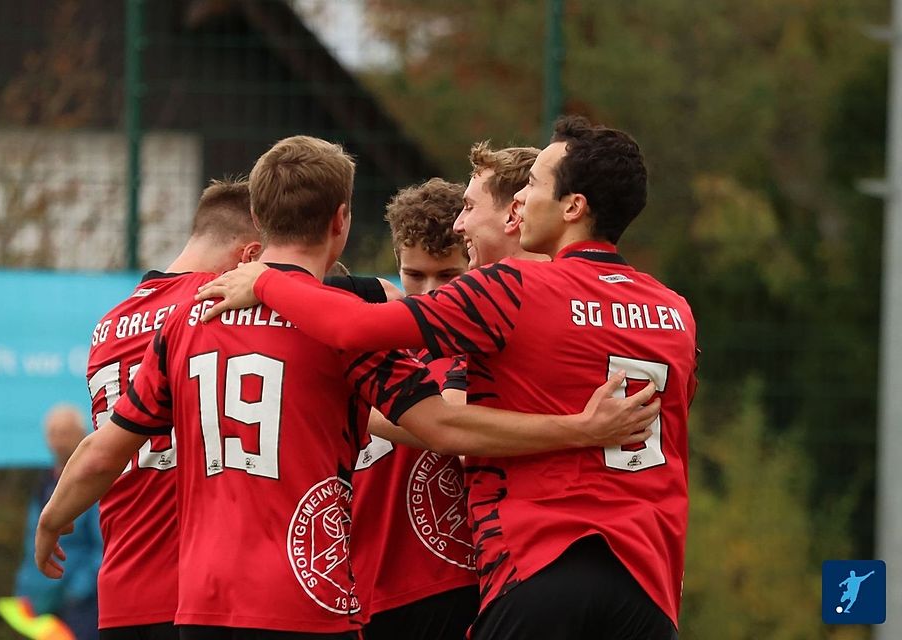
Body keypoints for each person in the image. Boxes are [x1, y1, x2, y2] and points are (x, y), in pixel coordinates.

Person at [36, 135, 660, 640]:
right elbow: (443, 425)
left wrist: (51, 520)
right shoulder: (343, 330)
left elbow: (102, 451)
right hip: (307, 596)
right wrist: (579, 429)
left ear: (260, 220)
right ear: (342, 221)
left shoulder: (185, 321)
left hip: (199, 604)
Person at [195, 116, 698, 639]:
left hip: (540, 560)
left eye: (533, 184)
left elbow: (354, 328)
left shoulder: (513, 288)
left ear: (573, 207)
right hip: (647, 580)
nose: (520, 199)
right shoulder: (675, 311)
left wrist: (268, 282)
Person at [86, 179, 262, 639]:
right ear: (249, 257)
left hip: (122, 589)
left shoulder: (108, 324)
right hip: (201, 593)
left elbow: (102, 451)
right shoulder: (216, 308)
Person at [352, 178, 477, 640]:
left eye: (447, 276)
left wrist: (353, 402)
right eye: (414, 275)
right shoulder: (376, 339)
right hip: (358, 586)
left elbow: (458, 426)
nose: (428, 293)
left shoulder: (482, 349)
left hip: (448, 582)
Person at [15, 404, 102, 640]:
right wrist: (24, 589)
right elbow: (31, 543)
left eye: (64, 433)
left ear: (82, 435)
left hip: (80, 608)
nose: (57, 441)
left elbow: (103, 546)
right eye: (52, 433)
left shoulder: (94, 483)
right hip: (39, 606)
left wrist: (77, 593)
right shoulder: (44, 483)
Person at [454, 143, 547, 269]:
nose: (457, 226)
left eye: (469, 207)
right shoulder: (571, 276)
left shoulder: (485, 281)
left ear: (513, 215)